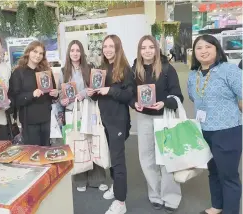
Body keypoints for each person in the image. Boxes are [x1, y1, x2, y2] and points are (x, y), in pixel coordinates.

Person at [187, 34, 242, 214]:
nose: (203, 51)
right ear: (194, 53)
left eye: (208, 47)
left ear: (217, 49)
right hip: (203, 131)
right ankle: (217, 206)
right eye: (199, 48)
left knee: (228, 175)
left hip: (227, 130)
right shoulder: (192, 75)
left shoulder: (229, 70)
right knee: (213, 171)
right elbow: (192, 97)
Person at [130, 35, 183, 214]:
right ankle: (155, 195)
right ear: (139, 50)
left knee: (167, 159)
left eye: (151, 47)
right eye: (143, 47)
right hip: (144, 118)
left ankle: (171, 196)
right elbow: (129, 93)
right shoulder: (135, 69)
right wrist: (133, 103)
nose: (147, 51)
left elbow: (178, 95)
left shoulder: (167, 68)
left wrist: (164, 102)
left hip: (164, 117)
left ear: (156, 48)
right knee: (147, 159)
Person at [87, 35, 133, 214]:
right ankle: (116, 186)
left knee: (118, 161)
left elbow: (128, 94)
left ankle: (121, 202)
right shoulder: (101, 68)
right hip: (103, 121)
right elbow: (98, 94)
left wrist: (111, 90)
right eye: (105, 46)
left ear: (117, 48)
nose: (107, 49)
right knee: (112, 159)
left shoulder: (125, 69)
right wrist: (92, 92)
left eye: (111, 46)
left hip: (118, 121)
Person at [60, 40, 108, 193]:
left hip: (89, 109)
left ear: (82, 53)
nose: (75, 53)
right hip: (71, 112)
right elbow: (60, 96)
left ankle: (98, 179)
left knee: (93, 141)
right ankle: (80, 179)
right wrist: (64, 100)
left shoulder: (89, 69)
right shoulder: (63, 71)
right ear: (68, 53)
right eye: (72, 50)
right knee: (76, 144)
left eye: (77, 50)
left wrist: (85, 93)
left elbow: (95, 87)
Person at [10, 41, 58, 146]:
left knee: (46, 151)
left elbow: (53, 92)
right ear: (28, 52)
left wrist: (55, 94)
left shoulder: (46, 71)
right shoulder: (18, 72)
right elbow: (16, 99)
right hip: (29, 121)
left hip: (46, 119)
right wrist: (32, 94)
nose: (38, 55)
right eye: (35, 51)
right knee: (32, 154)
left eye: (41, 53)